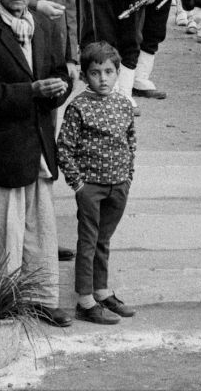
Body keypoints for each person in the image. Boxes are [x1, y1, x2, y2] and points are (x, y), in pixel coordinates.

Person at [0, 0, 73, 327]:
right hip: (2, 147)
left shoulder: (43, 24)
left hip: (39, 143)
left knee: (41, 230)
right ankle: (0, 305)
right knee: (4, 233)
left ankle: (41, 299)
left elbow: (60, 71)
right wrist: (31, 91)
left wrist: (59, 89)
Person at [56, 41, 137, 326]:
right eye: (95, 73)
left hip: (119, 184)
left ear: (117, 73)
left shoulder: (124, 104)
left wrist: (128, 176)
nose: (102, 79)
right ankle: (85, 300)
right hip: (90, 186)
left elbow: (130, 140)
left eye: (108, 72)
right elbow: (64, 148)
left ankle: (101, 291)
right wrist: (78, 184)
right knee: (89, 242)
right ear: (84, 76)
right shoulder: (78, 107)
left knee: (104, 239)